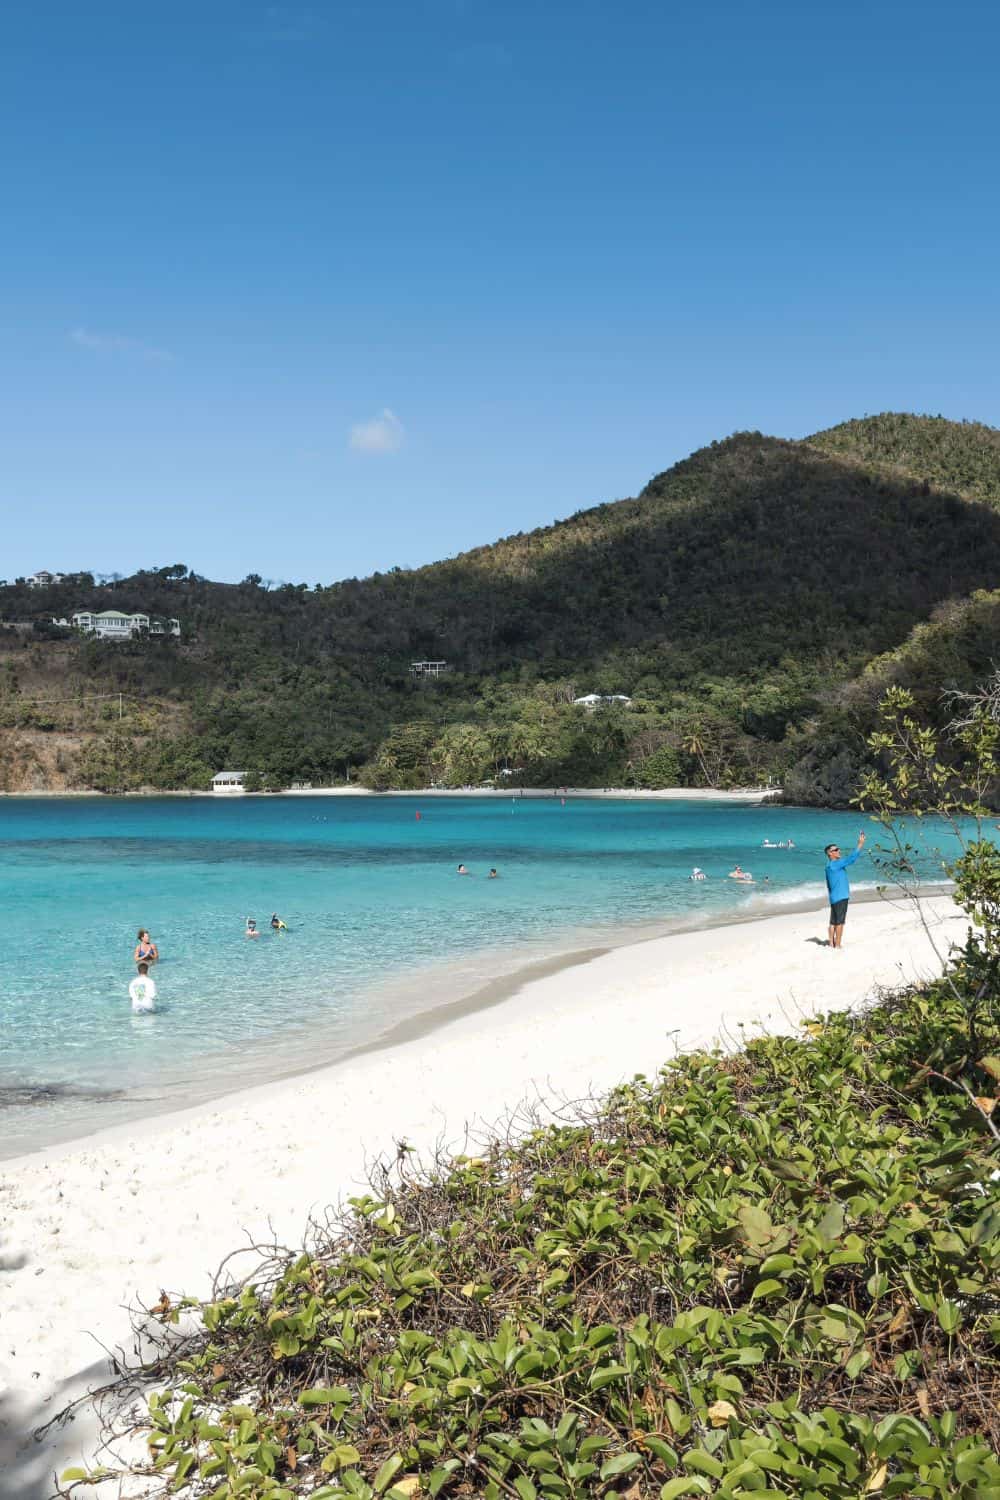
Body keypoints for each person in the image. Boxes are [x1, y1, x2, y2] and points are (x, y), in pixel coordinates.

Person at [824, 831, 866, 948]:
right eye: (836, 850)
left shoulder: (828, 867)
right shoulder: (835, 864)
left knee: (833, 922)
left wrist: (831, 895)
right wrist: (860, 844)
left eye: (838, 849)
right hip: (841, 897)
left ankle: (831, 943)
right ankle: (837, 945)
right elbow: (851, 859)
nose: (839, 851)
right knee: (840, 922)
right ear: (830, 853)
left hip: (834, 897)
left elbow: (828, 884)